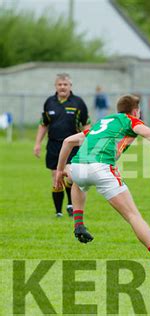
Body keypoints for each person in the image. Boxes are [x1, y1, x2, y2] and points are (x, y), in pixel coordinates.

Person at [54, 94, 150, 270]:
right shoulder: (130, 120)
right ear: (136, 111)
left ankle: (79, 224)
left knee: (78, 181)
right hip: (101, 168)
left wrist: (60, 171)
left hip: (78, 167)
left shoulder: (103, 122)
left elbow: (68, 141)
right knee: (133, 215)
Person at [34, 73, 90, 217]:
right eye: (60, 84)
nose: (62, 87)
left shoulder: (78, 103)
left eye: (65, 84)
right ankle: (58, 212)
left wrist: (88, 144)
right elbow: (43, 124)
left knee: (70, 176)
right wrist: (37, 144)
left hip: (73, 145)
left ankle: (71, 203)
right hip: (53, 145)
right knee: (55, 177)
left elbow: (86, 124)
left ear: (70, 86)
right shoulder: (49, 102)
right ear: (56, 86)